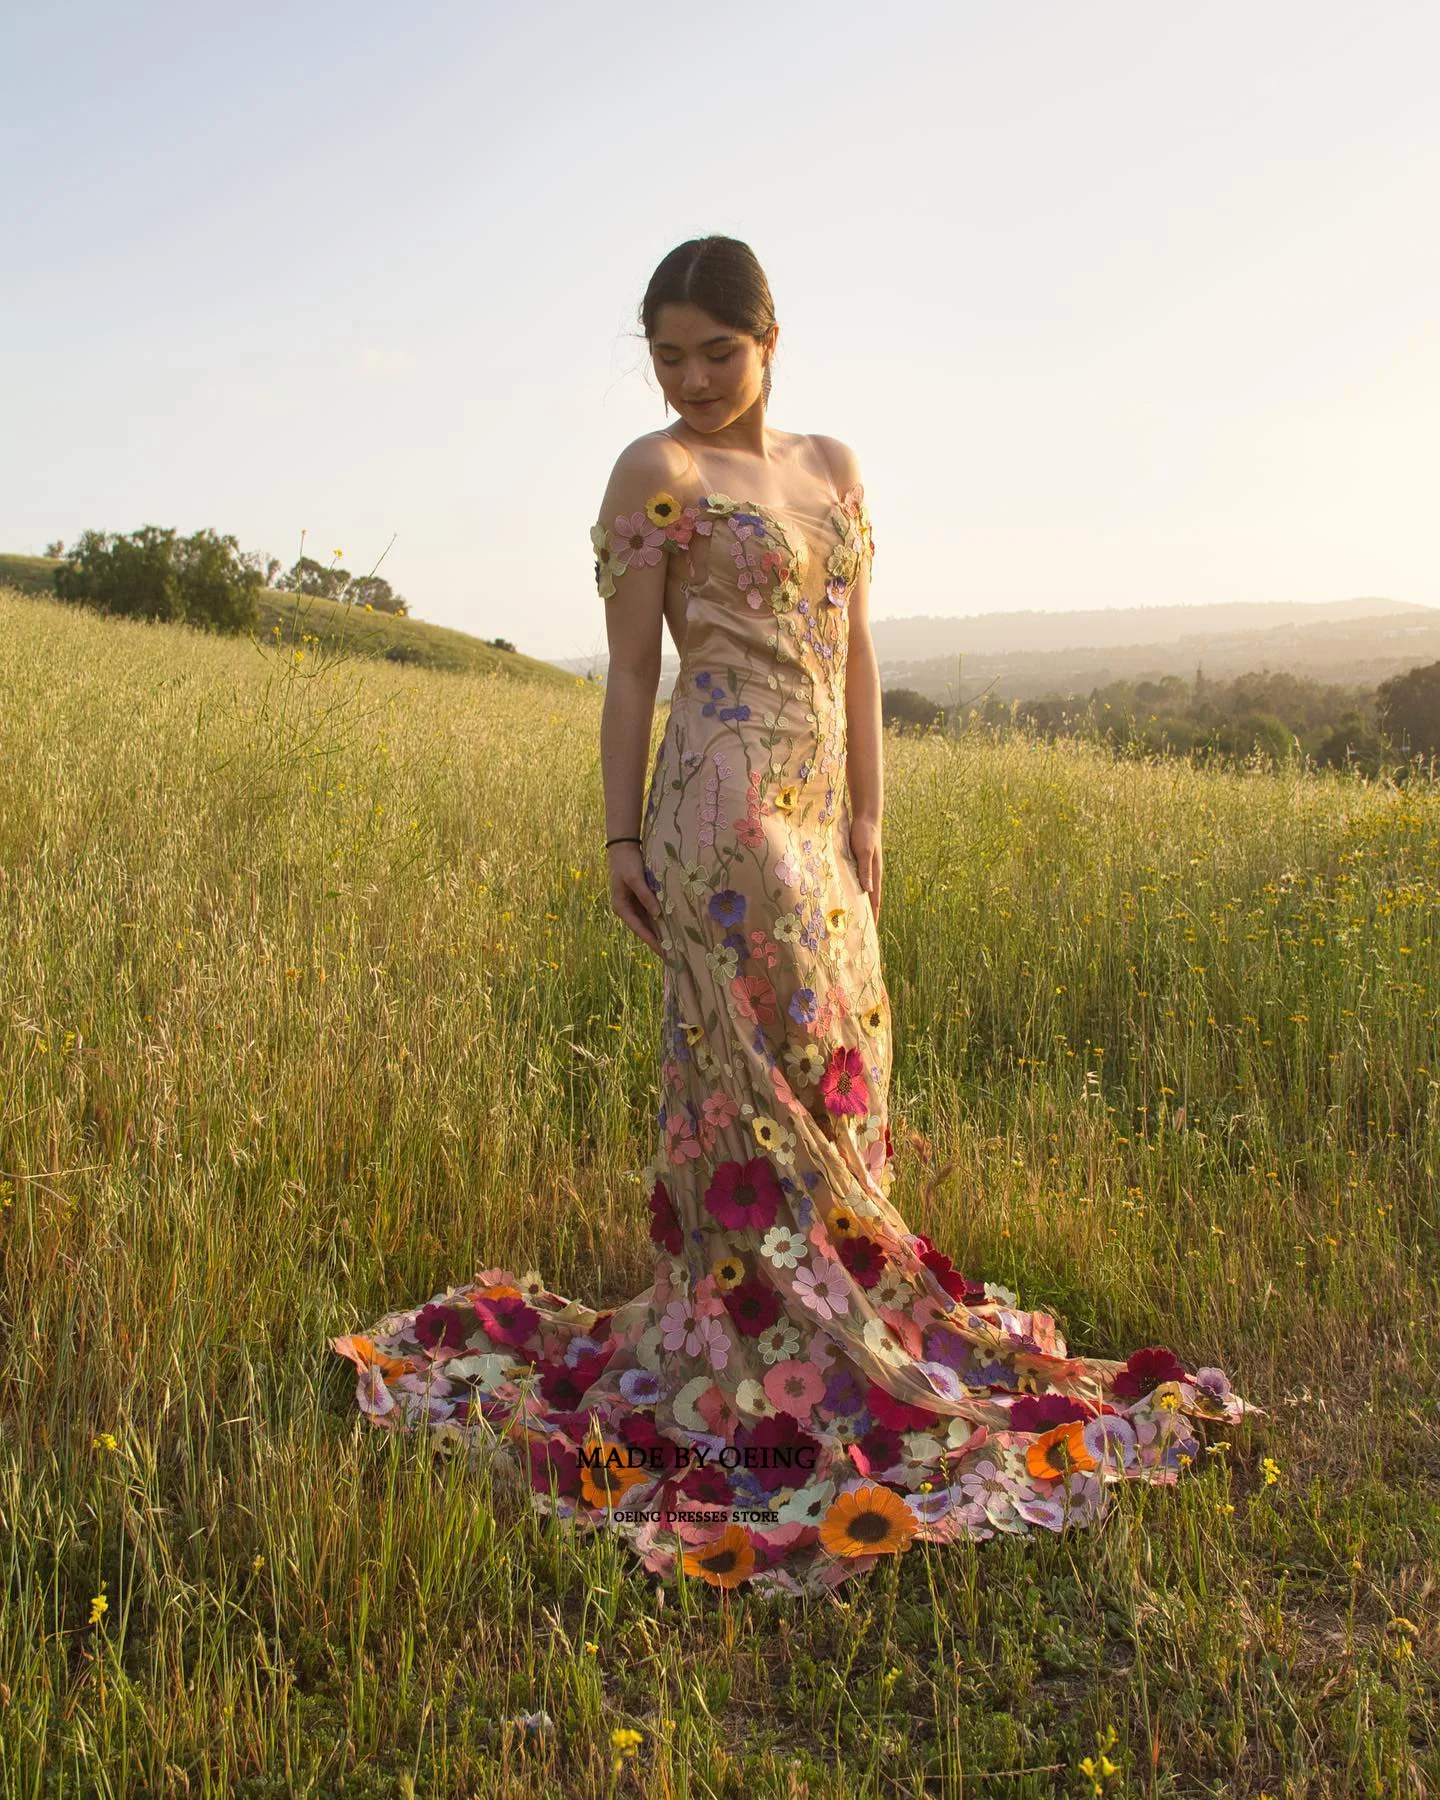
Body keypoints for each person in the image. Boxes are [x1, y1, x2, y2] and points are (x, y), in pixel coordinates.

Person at [332, 236, 1260, 1596]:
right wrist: (612, 836)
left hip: (822, 808)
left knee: (842, 1044)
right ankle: (752, 1325)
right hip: (719, 802)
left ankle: (827, 1305)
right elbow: (632, 675)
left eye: (718, 351)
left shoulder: (835, 468)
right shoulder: (658, 476)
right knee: (757, 1060)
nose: (695, 380)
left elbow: (860, 647)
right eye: (668, 357)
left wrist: (872, 817)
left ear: (771, 339)